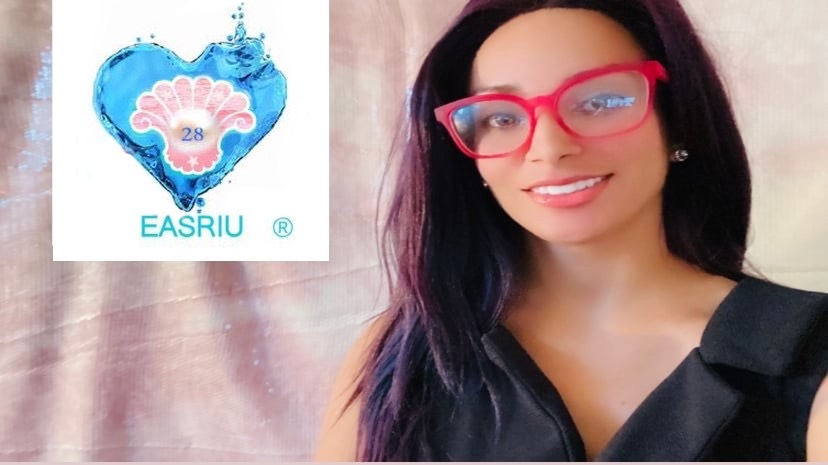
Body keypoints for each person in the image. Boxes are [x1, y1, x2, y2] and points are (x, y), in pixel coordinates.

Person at [316, 0, 828, 461]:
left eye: (599, 101)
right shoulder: (402, 356)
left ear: (677, 119)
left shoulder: (810, 354)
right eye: (500, 118)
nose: (549, 147)